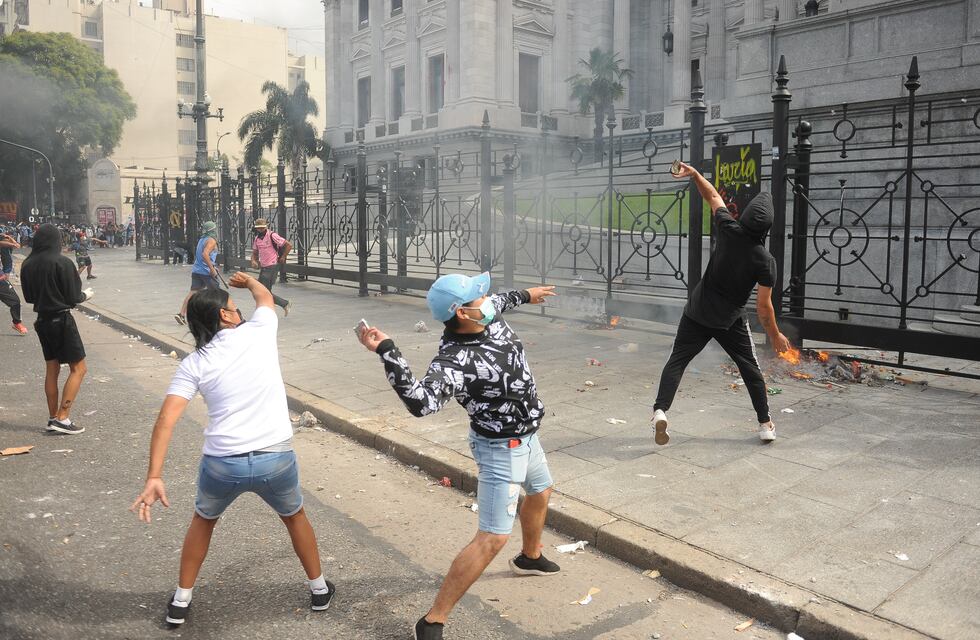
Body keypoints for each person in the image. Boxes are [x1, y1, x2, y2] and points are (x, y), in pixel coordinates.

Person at [358, 272, 558, 640]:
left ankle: (529, 557)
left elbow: (502, 299)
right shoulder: (453, 362)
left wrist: (528, 294)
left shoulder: (488, 314)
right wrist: (388, 351)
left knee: (542, 490)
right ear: (463, 314)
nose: (487, 299)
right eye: (477, 298)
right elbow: (420, 403)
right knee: (492, 537)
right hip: (501, 449)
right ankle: (433, 620)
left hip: (529, 437)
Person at [130, 272, 334, 627]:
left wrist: (154, 476)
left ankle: (180, 601)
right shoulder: (259, 333)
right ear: (225, 316)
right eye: (233, 307)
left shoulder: (193, 363)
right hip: (276, 458)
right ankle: (319, 590)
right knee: (295, 516)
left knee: (204, 522)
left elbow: (165, 421)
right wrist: (251, 282)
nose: (238, 311)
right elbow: (266, 300)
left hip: (223, 465)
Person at [651, 162, 791, 445]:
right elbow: (764, 308)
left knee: (677, 360)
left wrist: (694, 174)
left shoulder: (728, 228)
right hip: (730, 321)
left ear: (746, 217)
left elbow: (713, 196)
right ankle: (765, 424)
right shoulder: (766, 261)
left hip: (697, 312)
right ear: (767, 227)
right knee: (750, 368)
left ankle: (660, 410)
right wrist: (775, 335)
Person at [20, 224, 94, 435]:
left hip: (42, 321)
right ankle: (63, 417)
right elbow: (73, 298)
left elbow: (29, 297)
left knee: (52, 369)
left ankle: (53, 417)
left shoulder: (27, 264)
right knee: (79, 369)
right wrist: (85, 296)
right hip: (61, 320)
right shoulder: (62, 262)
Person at [175, 221, 219, 325]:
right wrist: (212, 269)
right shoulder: (211, 240)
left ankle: (181, 314)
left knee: (192, 293)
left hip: (197, 270)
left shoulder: (202, 239)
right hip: (206, 272)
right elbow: (205, 254)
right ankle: (215, 317)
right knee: (217, 294)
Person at [250, 218, 292, 315]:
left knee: (263, 292)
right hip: (264, 267)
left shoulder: (272, 235)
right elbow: (255, 252)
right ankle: (283, 304)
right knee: (261, 291)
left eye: (262, 227)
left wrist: (283, 257)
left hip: (272, 266)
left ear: (266, 227)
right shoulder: (257, 239)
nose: (260, 229)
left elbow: (288, 245)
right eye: (258, 228)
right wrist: (253, 260)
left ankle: (282, 304)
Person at [0, 233, 28, 335]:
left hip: (1, 279)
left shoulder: (5, 246)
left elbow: (17, 245)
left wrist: (10, 239)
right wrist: (11, 244)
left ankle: (17, 323)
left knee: (15, 301)